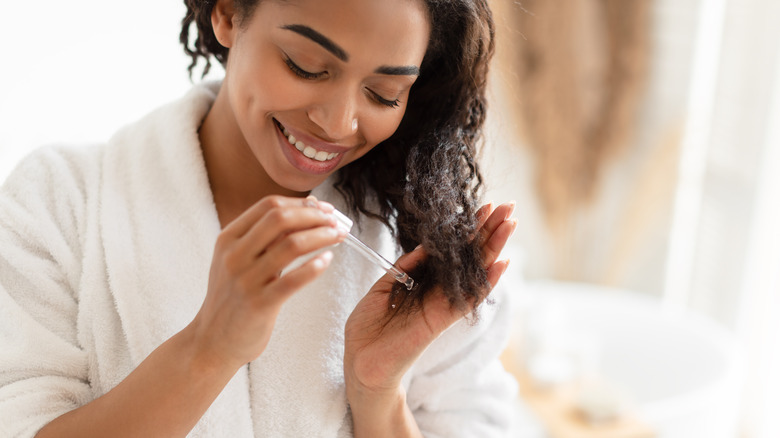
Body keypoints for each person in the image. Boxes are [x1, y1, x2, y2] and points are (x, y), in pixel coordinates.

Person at [0, 0, 518, 436]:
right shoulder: (61, 198)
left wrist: (377, 390)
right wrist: (208, 348)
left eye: (384, 94)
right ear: (227, 14)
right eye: (306, 66)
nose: (338, 123)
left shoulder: (421, 245)